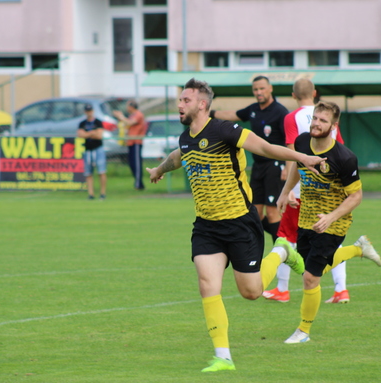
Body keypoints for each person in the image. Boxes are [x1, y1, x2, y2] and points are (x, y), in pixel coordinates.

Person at [146, 78, 326, 372]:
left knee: (251, 291)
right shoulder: (186, 137)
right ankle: (223, 356)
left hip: (240, 224)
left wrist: (302, 157)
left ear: (202, 104)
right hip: (206, 227)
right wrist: (159, 169)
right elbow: (179, 156)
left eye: (185, 100)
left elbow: (266, 148)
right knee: (208, 285)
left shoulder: (224, 130)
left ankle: (281, 251)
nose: (180, 105)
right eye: (180, 100)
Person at [277, 100, 381, 345]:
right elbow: (296, 165)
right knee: (309, 268)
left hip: (334, 222)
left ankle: (303, 331)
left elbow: (356, 195)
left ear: (334, 126)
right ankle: (359, 249)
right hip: (307, 217)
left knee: (310, 278)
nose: (316, 123)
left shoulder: (344, 158)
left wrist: (331, 217)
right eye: (315, 118)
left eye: (323, 120)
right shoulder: (302, 141)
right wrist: (285, 192)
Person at [263, 78, 353, 304]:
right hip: (329, 190)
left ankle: (282, 289)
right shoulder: (329, 116)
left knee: (285, 236)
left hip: (304, 189)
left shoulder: (291, 118)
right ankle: (341, 289)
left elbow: (292, 153)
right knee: (327, 238)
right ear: (314, 93)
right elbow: (339, 146)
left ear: (293, 95)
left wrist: (289, 189)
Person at [211, 76, 288, 244]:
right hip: (258, 167)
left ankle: (282, 251)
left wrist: (287, 167)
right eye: (255, 89)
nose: (258, 92)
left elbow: (289, 142)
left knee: (272, 212)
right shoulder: (253, 109)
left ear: (270, 89)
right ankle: (285, 241)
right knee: (255, 214)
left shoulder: (280, 112)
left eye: (261, 88)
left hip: (275, 165)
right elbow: (232, 114)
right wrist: (207, 113)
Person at [114, 100, 147, 190]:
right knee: (131, 163)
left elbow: (129, 123)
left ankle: (139, 184)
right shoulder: (131, 115)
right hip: (130, 142)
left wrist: (121, 116)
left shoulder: (138, 114)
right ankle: (138, 182)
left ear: (132, 107)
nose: (126, 108)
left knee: (136, 164)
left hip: (136, 142)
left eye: (128, 106)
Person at [77, 104, 107, 200]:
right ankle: (91, 194)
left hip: (98, 149)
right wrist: (92, 133)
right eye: (87, 111)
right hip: (87, 150)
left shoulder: (98, 122)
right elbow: (80, 135)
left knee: (101, 171)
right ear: (85, 112)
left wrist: (87, 133)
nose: (89, 113)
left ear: (93, 111)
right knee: (88, 173)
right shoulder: (82, 123)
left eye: (90, 111)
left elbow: (99, 136)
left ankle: (102, 193)